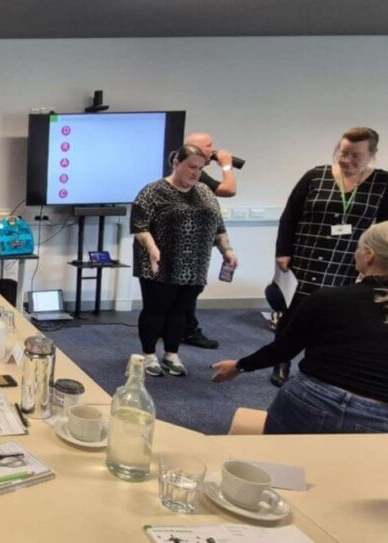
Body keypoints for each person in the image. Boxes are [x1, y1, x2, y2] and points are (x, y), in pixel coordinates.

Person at [211, 221, 388, 433]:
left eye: (358, 248)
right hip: (380, 420)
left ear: (369, 255)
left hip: (309, 402)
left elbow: (283, 349)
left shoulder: (328, 299)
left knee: (280, 463)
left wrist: (239, 366)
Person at [269, 127, 388, 386]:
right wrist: (283, 251)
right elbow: (290, 215)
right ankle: (281, 361)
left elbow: (383, 229)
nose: (347, 161)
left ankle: (315, 362)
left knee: (333, 316)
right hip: (306, 258)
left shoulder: (383, 183)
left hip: (348, 262)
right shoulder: (316, 176)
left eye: (356, 156)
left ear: (372, 154)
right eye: (343, 153)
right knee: (292, 313)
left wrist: (376, 265)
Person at [131, 143, 237, 377]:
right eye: (190, 167)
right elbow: (139, 226)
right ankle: (149, 356)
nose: (195, 173)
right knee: (156, 310)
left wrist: (227, 251)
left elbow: (218, 226)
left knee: (181, 311)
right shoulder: (153, 191)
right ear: (176, 163)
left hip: (195, 264)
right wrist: (152, 248)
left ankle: (171, 355)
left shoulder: (205, 192)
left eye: (199, 169)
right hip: (159, 263)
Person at [180, 132, 240, 350]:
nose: (212, 150)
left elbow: (212, 214)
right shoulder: (192, 172)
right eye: (208, 146)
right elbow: (229, 189)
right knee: (186, 290)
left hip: (197, 244)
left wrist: (226, 248)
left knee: (187, 290)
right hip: (184, 246)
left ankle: (178, 328)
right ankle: (186, 331)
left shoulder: (194, 173)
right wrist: (226, 165)